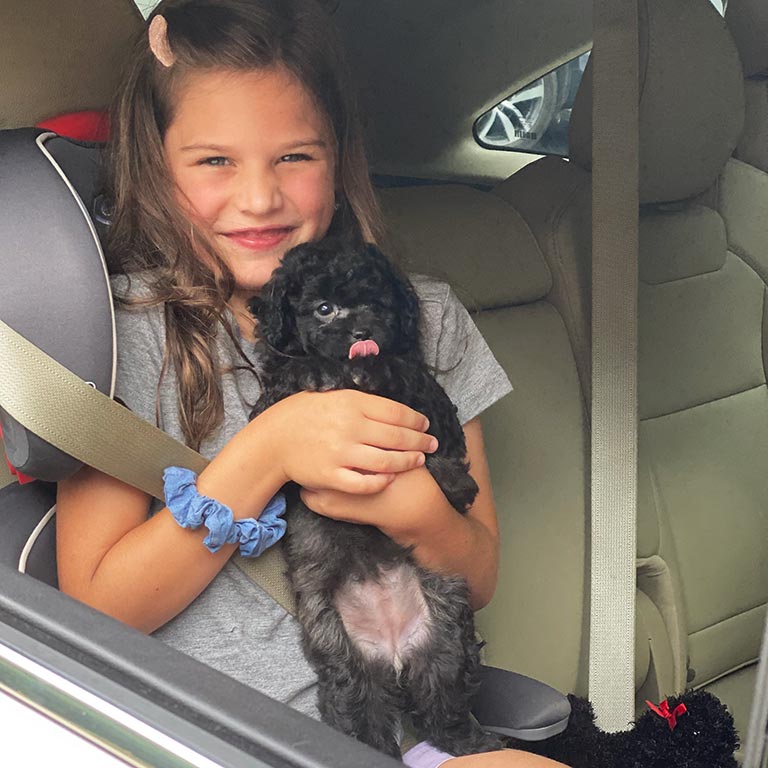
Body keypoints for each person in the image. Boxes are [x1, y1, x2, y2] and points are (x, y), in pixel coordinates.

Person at [55, 2, 568, 766]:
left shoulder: (422, 316)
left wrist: (419, 509)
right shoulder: (123, 333)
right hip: (203, 740)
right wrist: (268, 450)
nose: (259, 198)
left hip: (403, 736)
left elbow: (478, 573)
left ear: (340, 155)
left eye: (294, 156)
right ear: (156, 161)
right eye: (214, 161)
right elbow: (97, 608)